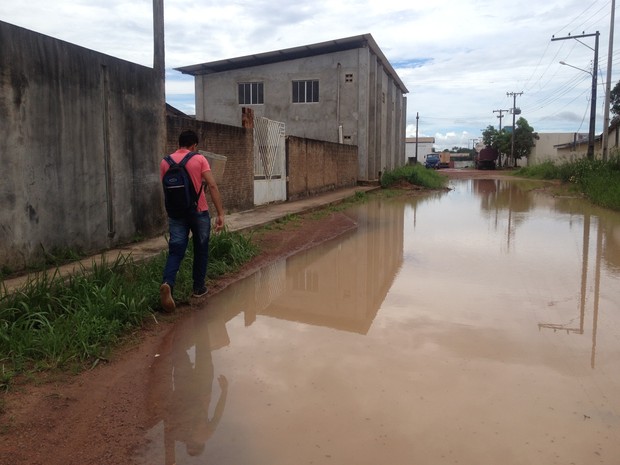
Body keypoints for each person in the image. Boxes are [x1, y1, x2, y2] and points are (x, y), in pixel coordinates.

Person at [159, 130, 225, 312]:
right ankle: (198, 288)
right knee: (201, 249)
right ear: (194, 145)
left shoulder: (165, 162)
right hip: (199, 211)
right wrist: (220, 213)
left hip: (176, 213)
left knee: (176, 250)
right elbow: (212, 185)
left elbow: (166, 190)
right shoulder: (199, 159)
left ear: (179, 144)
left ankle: (168, 283)